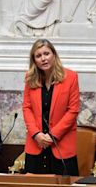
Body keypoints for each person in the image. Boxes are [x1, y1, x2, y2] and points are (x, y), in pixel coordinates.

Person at [23, 39, 80, 175]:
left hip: (62, 145)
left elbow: (73, 110)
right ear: (34, 60)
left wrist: (52, 136)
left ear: (54, 55)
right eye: (38, 56)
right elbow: (27, 108)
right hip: (36, 144)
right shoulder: (30, 78)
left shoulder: (70, 77)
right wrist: (36, 134)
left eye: (46, 54)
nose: (43, 58)